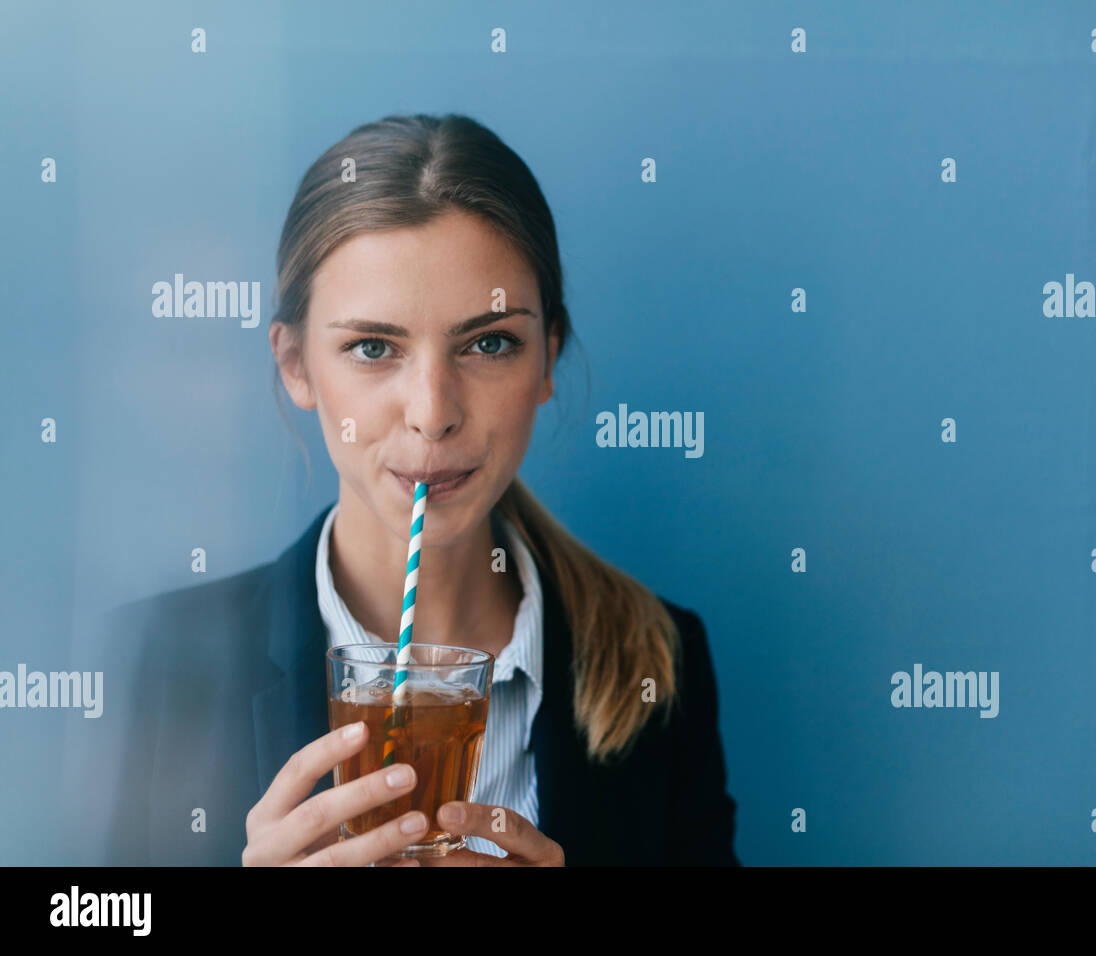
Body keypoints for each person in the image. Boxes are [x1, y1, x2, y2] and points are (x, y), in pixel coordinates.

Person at [98, 113, 740, 867]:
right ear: (296, 365)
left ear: (547, 359)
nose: (433, 413)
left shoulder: (656, 663)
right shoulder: (175, 659)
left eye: (489, 343)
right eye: (373, 347)